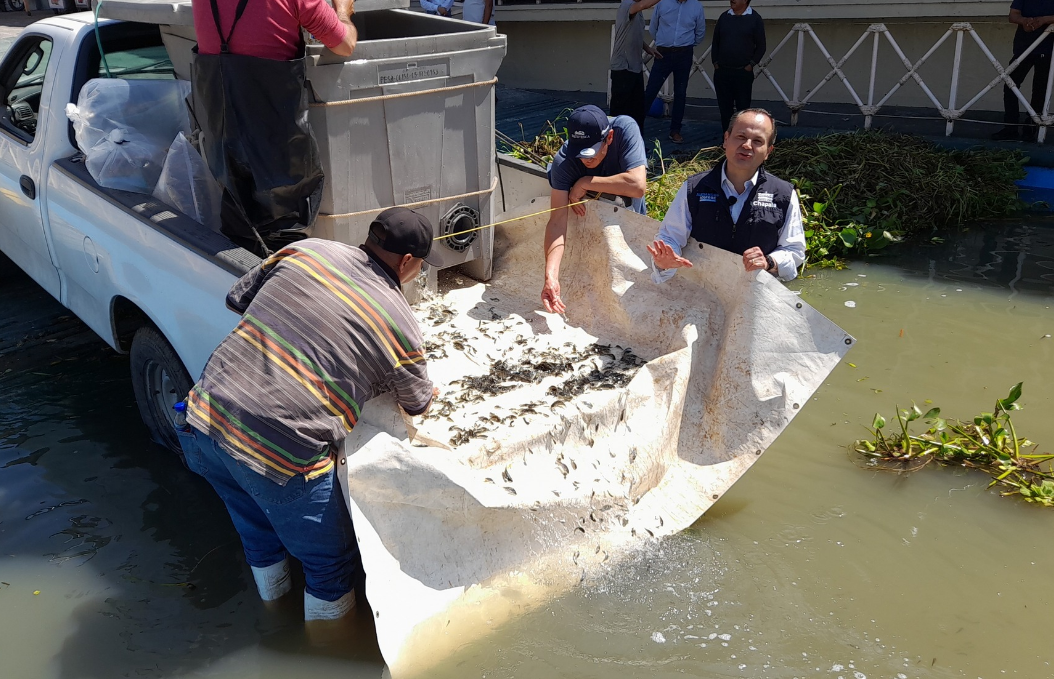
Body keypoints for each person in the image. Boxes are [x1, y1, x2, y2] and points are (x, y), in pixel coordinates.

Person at [178, 208, 439, 622]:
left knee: (258, 533)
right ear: (408, 262)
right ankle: (321, 654)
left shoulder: (306, 250)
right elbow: (419, 402)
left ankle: (272, 617)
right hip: (277, 456)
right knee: (331, 565)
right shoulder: (399, 321)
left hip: (203, 419)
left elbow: (238, 299)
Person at [190, 0, 357, 251]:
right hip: (277, 149)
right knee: (284, 236)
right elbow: (345, 44)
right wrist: (343, 11)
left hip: (224, 141)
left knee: (239, 229)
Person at [647, 108, 805, 282]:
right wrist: (665, 260)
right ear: (726, 139)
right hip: (701, 291)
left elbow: (794, 251)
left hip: (757, 296)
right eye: (741, 137)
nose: (747, 145)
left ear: (768, 151)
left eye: (758, 141)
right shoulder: (695, 188)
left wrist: (769, 261)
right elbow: (669, 237)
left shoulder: (783, 194)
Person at [541, 105, 648, 313]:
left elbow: (638, 186)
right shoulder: (563, 162)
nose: (585, 159)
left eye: (590, 153)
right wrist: (550, 276)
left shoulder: (625, 128)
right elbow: (556, 223)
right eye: (579, 154)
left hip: (632, 219)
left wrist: (586, 181)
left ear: (609, 138)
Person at [642, 0, 707, 144]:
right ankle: (636, 128)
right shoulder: (663, 3)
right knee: (651, 90)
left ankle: (675, 130)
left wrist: (686, 44)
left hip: (684, 53)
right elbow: (653, 28)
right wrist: (663, 41)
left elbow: (700, 32)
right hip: (663, 52)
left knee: (680, 93)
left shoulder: (696, 6)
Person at [993, 1, 1054, 141]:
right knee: (1010, 85)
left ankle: (1031, 127)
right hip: (1023, 48)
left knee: (1040, 89)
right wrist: (1025, 21)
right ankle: (1010, 127)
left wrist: (1044, 20)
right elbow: (1013, 15)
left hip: (1047, 49)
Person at [711, 0, 766, 134]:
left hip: (742, 73)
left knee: (743, 110)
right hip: (723, 71)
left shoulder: (755, 18)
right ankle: (726, 139)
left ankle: (741, 138)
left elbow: (761, 46)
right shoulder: (724, 17)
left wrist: (751, 64)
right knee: (725, 109)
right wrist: (715, 62)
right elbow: (716, 42)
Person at [610, 0, 663, 131]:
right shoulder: (627, 5)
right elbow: (643, 5)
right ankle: (615, 144)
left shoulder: (638, 13)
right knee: (620, 112)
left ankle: (635, 144)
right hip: (623, 68)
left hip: (635, 67)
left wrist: (647, 48)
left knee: (637, 110)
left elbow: (632, 33)